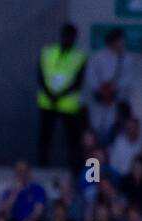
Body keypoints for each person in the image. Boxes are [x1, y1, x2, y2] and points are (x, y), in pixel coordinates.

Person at [36, 23, 86, 171]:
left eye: (71, 37)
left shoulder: (79, 56)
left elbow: (78, 82)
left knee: (72, 139)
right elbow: (40, 75)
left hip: (67, 104)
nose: (68, 39)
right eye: (66, 36)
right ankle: (42, 166)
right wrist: (51, 94)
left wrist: (59, 95)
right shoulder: (47, 52)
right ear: (61, 36)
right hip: (48, 102)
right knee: (45, 137)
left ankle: (75, 168)